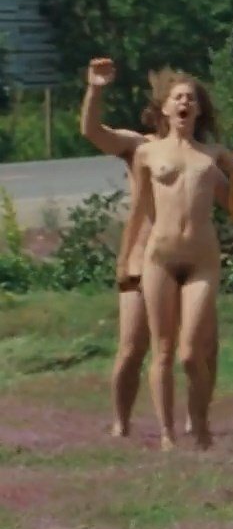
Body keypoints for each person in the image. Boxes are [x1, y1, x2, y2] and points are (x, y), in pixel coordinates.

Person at [119, 70, 233, 449]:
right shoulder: (147, 153)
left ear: (198, 110)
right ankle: (167, 434)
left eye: (190, 98)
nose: (184, 102)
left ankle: (201, 423)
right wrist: (125, 261)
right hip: (159, 258)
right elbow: (138, 211)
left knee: (192, 353)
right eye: (177, 97)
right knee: (162, 350)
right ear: (164, 108)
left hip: (202, 261)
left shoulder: (212, 154)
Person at [79, 57, 155, 439]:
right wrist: (95, 90)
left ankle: (192, 421)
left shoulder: (201, 151)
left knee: (194, 348)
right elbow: (93, 131)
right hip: (140, 259)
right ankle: (121, 422)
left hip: (186, 258)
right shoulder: (138, 146)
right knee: (132, 347)